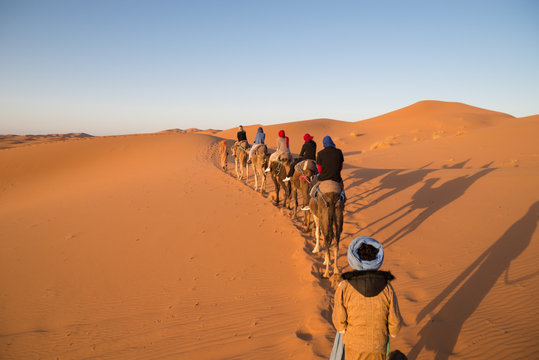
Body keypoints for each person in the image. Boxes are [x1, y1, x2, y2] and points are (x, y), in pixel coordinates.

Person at [331, 236, 402, 360]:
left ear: (353, 258)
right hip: (378, 347)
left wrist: (344, 330)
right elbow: (395, 324)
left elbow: (339, 323)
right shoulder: (387, 288)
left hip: (353, 347)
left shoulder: (344, 287)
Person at [301, 135, 344, 210]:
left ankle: (307, 203)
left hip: (323, 177)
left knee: (311, 185)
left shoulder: (320, 153)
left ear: (324, 144)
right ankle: (342, 201)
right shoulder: (339, 152)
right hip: (336, 178)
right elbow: (340, 167)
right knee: (342, 188)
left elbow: (320, 170)